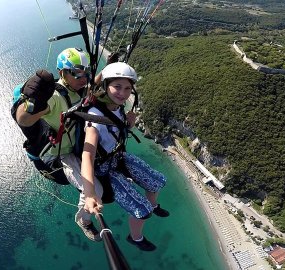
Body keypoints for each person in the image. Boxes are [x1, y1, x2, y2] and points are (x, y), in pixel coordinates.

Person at [15, 47, 104, 242]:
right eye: (78, 73)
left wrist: (105, 72)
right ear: (63, 73)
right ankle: (84, 220)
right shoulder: (54, 97)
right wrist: (31, 102)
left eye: (86, 73)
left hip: (73, 144)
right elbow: (24, 119)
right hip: (60, 155)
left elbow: (89, 87)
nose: (83, 78)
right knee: (96, 191)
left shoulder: (78, 89)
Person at [81, 62, 170, 251]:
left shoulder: (117, 107)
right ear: (106, 86)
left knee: (157, 181)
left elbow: (115, 134)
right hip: (104, 169)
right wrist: (89, 194)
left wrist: (128, 125)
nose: (123, 93)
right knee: (142, 211)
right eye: (117, 87)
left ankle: (155, 206)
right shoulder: (94, 117)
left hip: (118, 157)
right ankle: (135, 237)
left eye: (128, 88)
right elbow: (87, 156)